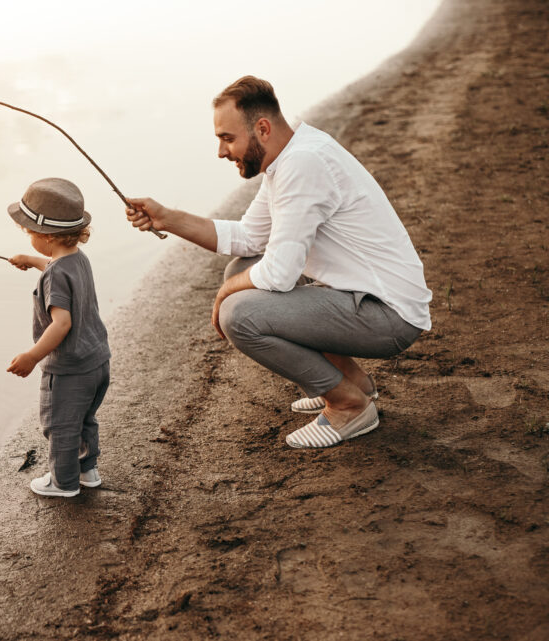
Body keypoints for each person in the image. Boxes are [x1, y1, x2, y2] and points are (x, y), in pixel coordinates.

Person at [126, 76, 432, 449]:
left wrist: (224, 295)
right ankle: (353, 381)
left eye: (227, 138)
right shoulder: (290, 156)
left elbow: (280, 274)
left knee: (239, 314)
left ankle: (349, 405)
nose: (221, 152)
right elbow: (248, 238)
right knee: (241, 268)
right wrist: (166, 218)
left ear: (263, 128)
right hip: (365, 299)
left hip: (389, 317)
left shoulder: (302, 165)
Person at [6, 177, 112, 496]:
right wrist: (32, 261)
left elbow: (61, 323)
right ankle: (87, 470)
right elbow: (56, 266)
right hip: (97, 362)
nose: (29, 240)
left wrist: (32, 355)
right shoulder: (77, 260)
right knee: (84, 419)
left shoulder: (55, 273)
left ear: (47, 236)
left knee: (61, 426)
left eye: (30, 235)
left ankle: (63, 482)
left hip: (69, 369)